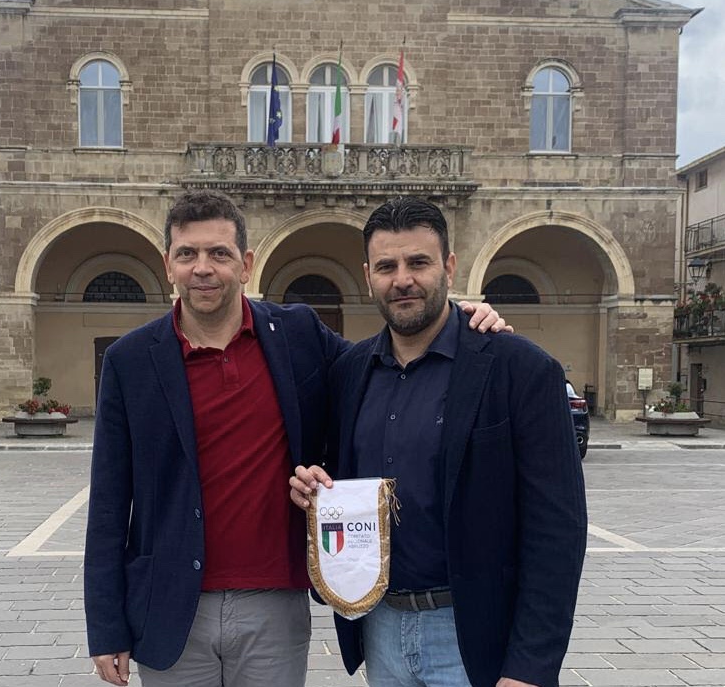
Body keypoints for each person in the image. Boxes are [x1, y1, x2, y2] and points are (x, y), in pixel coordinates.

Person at [84, 189, 506, 687]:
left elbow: (383, 362)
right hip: (169, 604)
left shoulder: (297, 333)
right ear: (168, 265)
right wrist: (106, 625)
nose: (203, 268)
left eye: (219, 253)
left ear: (245, 264)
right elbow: (109, 503)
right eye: (187, 254)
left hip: (274, 602)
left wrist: (462, 320)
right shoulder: (130, 361)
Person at [291, 196, 587, 687]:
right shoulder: (349, 372)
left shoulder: (520, 369)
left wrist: (530, 667)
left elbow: (557, 529)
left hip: (475, 639)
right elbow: (332, 473)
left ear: (449, 267)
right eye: (386, 266)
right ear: (368, 276)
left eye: (418, 262)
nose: (402, 279)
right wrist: (312, 486)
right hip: (380, 629)